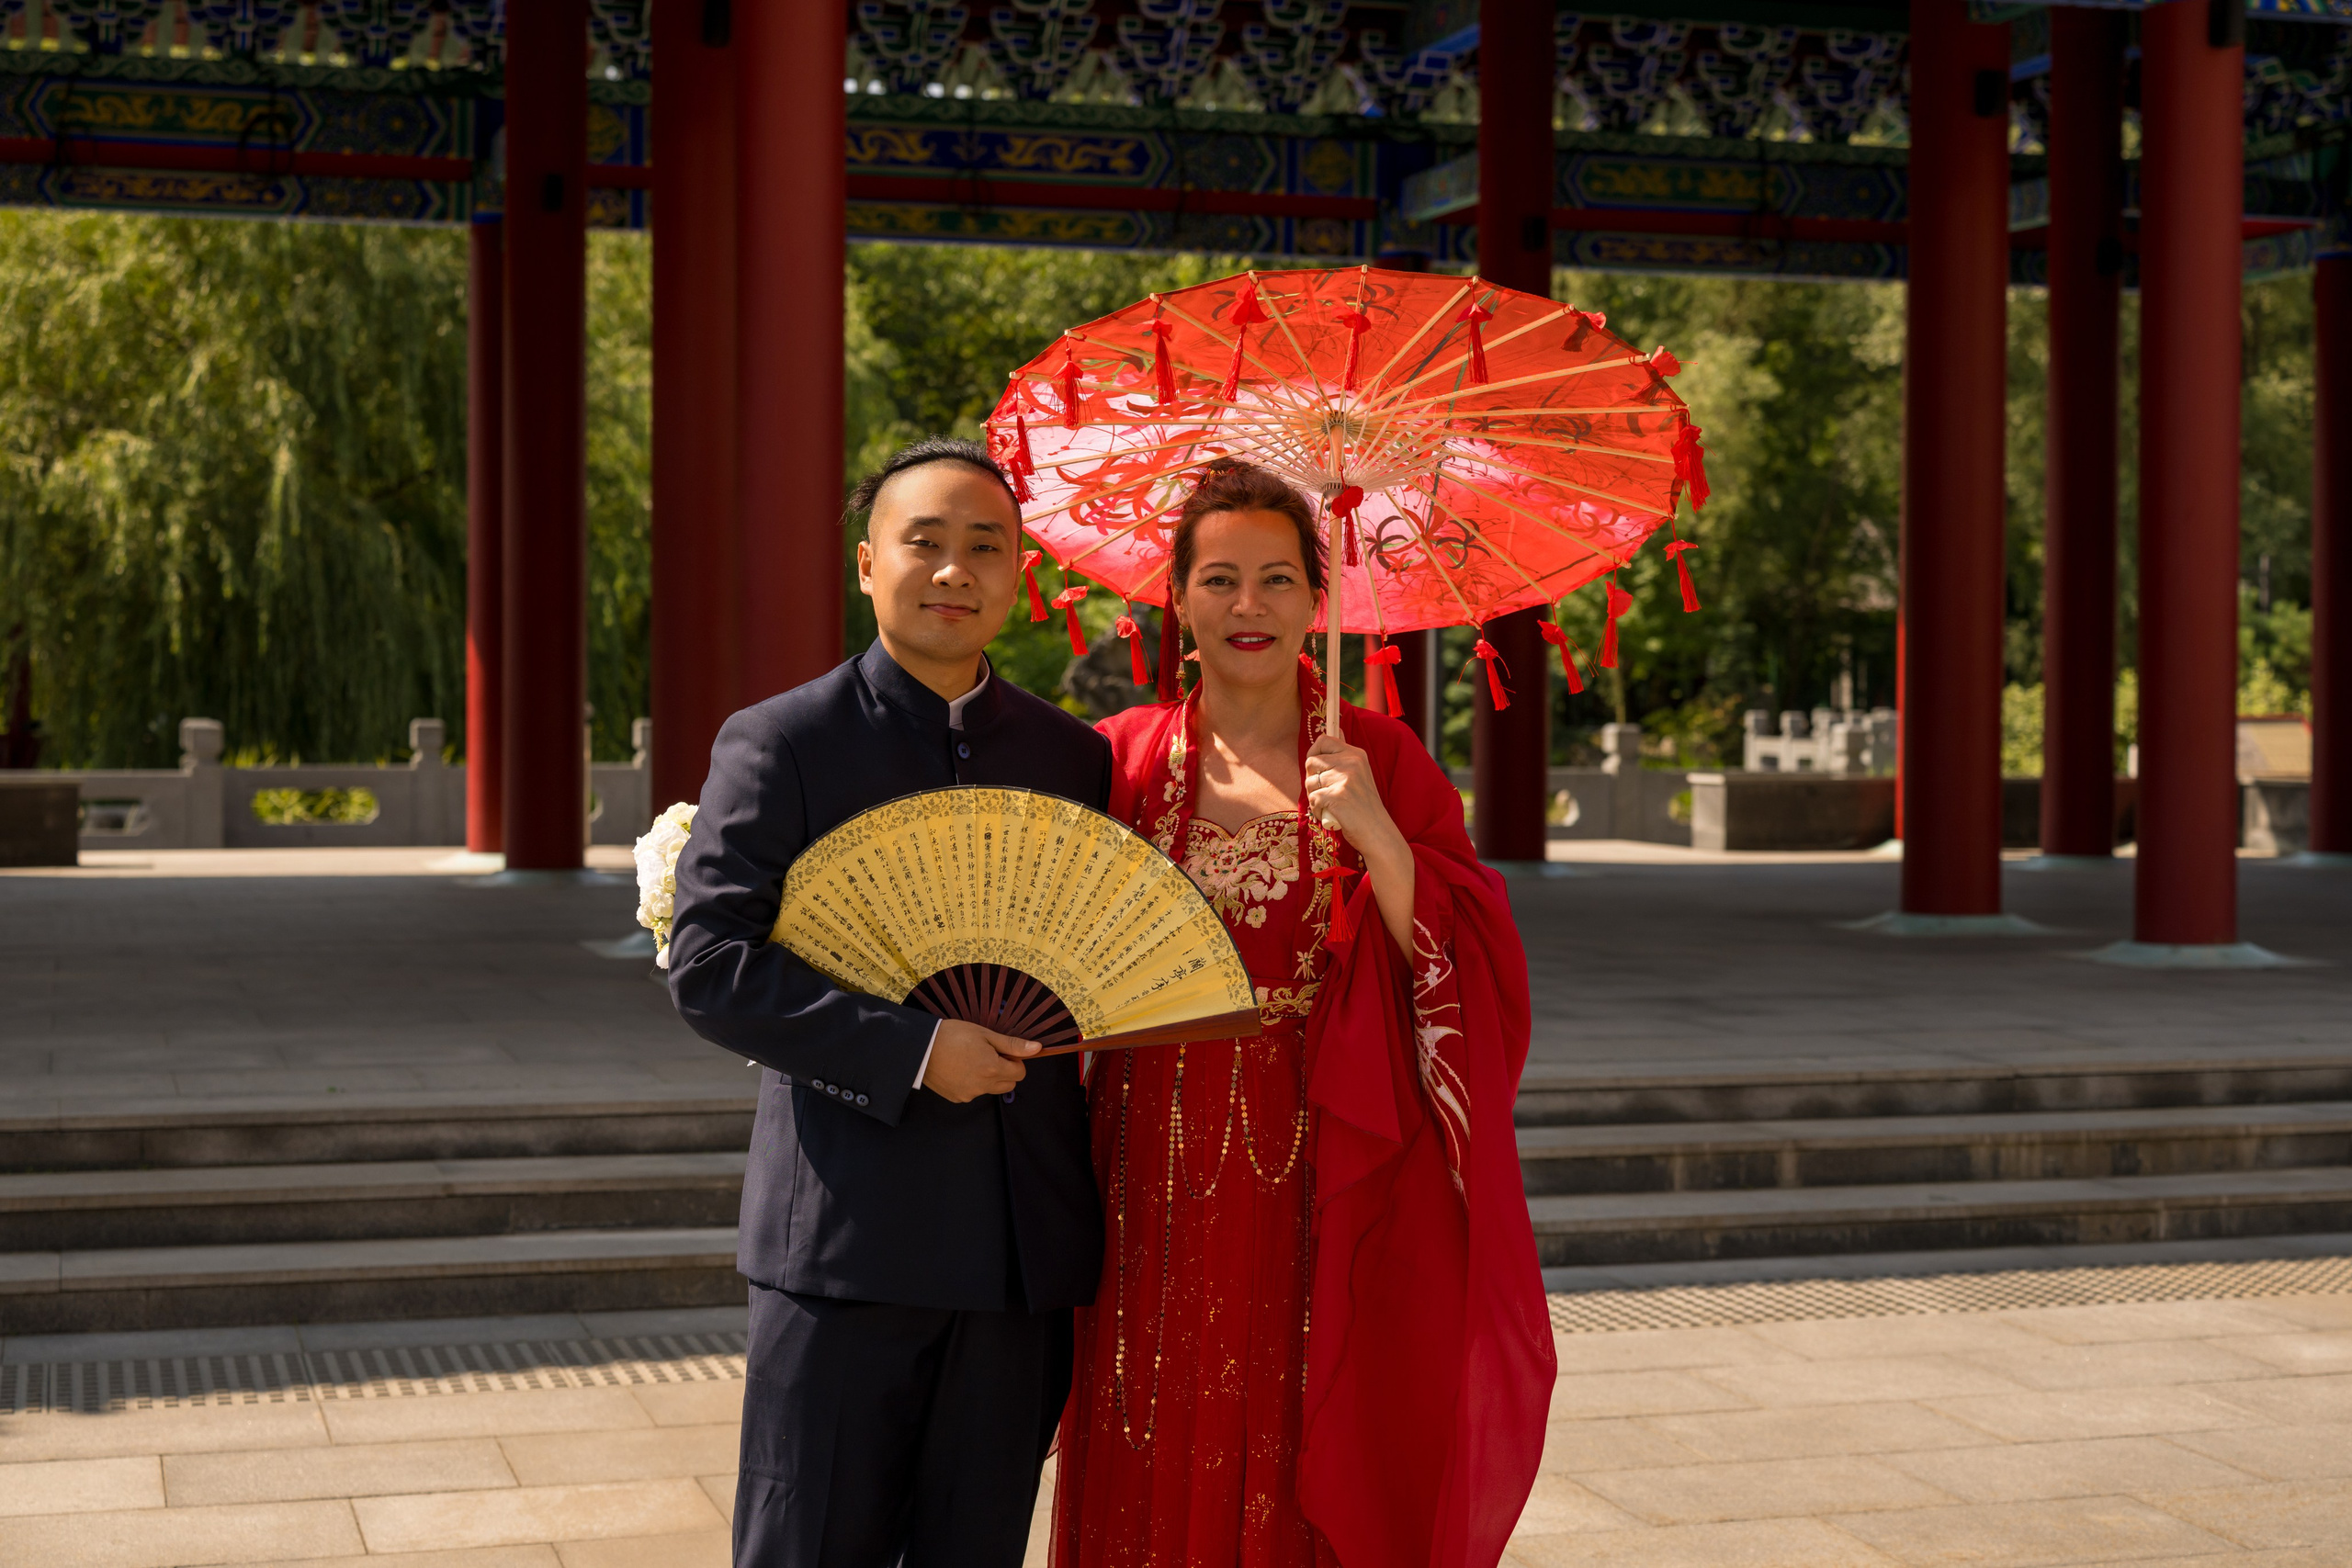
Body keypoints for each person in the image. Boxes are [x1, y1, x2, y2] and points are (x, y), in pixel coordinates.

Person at [1051, 460, 1555, 1568]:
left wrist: (1377, 835)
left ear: (1317, 602)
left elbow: (1477, 959)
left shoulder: (1380, 758)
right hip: (1147, 1152)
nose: (1249, 605)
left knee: (1301, 1413)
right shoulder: (1120, 758)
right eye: (1220, 578)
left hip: (1321, 1151)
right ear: (1176, 598)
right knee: (1149, 1403)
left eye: (1278, 579)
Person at [667, 437, 1110, 1568]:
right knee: (811, 1543)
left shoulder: (1071, 759)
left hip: (1018, 1250)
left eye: (985, 548)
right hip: (846, 1243)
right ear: (868, 564)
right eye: (925, 543)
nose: (953, 571)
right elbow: (712, 963)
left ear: (1022, 579)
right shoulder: (786, 740)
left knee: (978, 1545)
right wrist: (912, 1050)